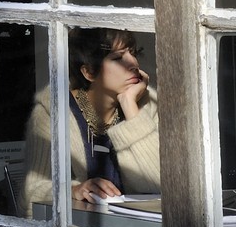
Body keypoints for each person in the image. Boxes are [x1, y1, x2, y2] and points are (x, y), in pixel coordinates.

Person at [22, 28, 160, 215]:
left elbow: (160, 184)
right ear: (88, 72)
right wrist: (73, 191)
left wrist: (130, 107)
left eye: (133, 53)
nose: (133, 63)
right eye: (118, 58)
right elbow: (30, 193)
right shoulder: (53, 113)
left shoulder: (145, 105)